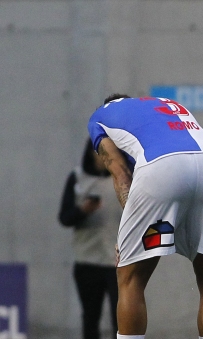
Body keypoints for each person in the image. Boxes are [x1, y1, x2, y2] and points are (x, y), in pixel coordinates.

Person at [88, 94, 203, 339]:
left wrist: (128, 233)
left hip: (162, 167)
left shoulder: (99, 118)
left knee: (130, 277)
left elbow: (121, 174)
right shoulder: (166, 103)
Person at [58, 138, 121, 339]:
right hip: (88, 260)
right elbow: (64, 217)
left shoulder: (124, 179)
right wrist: (82, 211)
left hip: (119, 261)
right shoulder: (78, 178)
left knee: (121, 319)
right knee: (91, 317)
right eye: (99, 153)